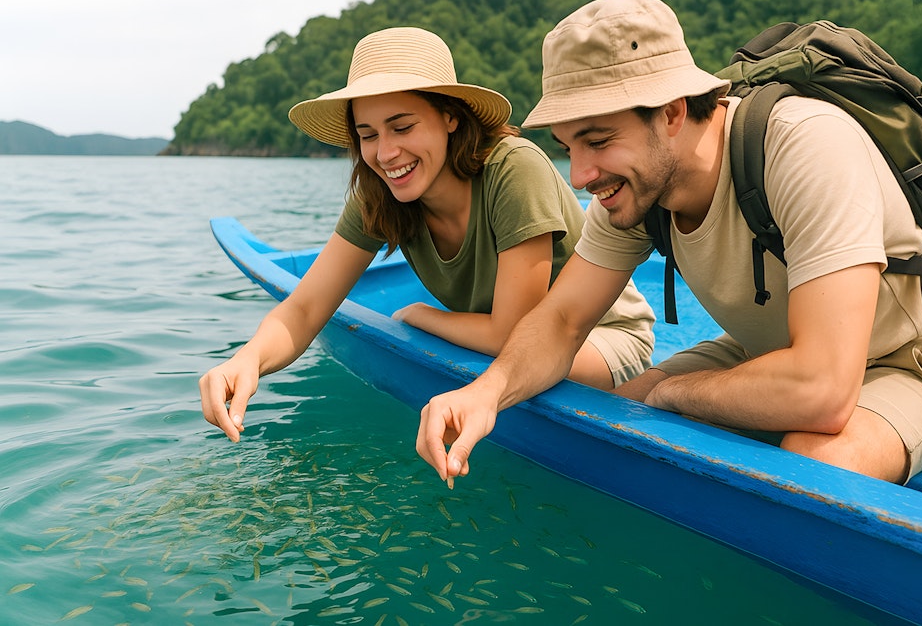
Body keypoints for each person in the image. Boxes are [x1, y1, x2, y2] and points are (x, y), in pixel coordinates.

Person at [416, 0, 922, 487]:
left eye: (597, 140)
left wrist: (673, 391)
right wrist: (483, 395)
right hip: (765, 351)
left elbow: (823, 390)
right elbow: (562, 320)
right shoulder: (635, 189)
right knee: (617, 412)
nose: (580, 175)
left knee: (815, 461)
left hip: (902, 364)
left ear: (671, 112)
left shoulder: (803, 146)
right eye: (568, 146)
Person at [200, 26, 655, 443]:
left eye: (403, 126)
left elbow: (510, 334)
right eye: (368, 134)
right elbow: (303, 309)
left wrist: (421, 315)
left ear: (450, 117)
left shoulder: (514, 169)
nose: (386, 152)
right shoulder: (380, 193)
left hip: (596, 335)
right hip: (514, 348)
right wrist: (247, 360)